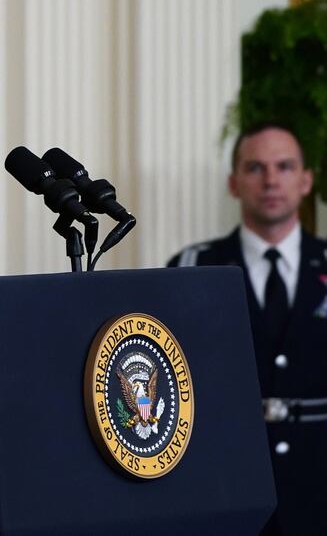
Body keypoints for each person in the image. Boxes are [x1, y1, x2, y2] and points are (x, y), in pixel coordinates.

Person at [167, 123, 327, 535]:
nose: (271, 179)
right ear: (234, 183)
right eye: (255, 168)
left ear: (306, 180)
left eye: (285, 167)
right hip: (224, 485)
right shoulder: (192, 268)